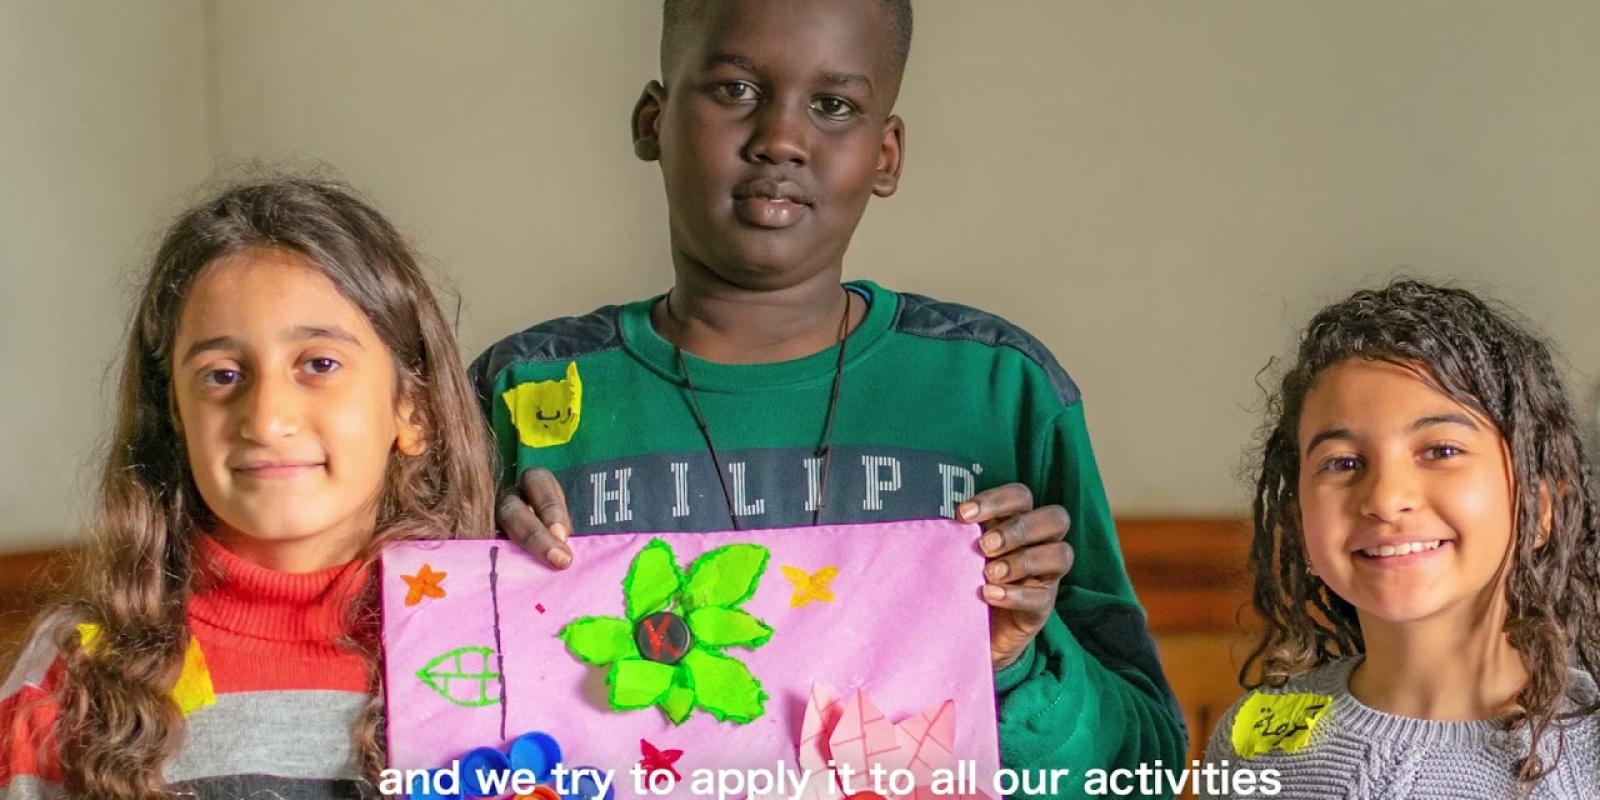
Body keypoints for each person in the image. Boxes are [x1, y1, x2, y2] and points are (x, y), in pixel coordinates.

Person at [472, 0, 1186, 786]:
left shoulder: (997, 389)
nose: (780, 138)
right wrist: (479, 577)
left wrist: (1012, 663)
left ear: (885, 155)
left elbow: (1143, 766)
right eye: (735, 90)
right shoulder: (517, 393)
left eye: (833, 105)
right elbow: (425, 704)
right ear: (653, 120)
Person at [0, 177, 494, 799]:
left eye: (319, 364)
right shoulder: (74, 671)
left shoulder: (494, 649)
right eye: (222, 374)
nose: (265, 419)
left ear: (412, 409)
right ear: (176, 417)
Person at [1203, 280, 1600, 798]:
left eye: (1440, 451)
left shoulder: (1588, 753)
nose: (1386, 499)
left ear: (1540, 506)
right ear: (1299, 522)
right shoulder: (1254, 737)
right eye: (1343, 463)